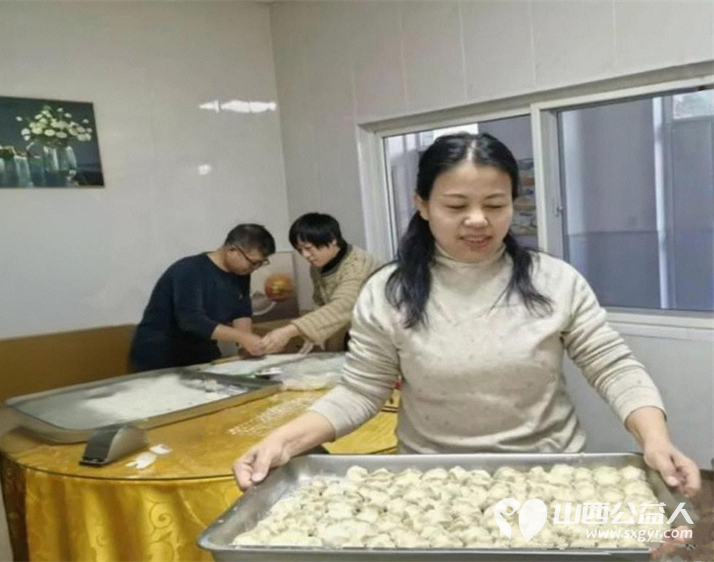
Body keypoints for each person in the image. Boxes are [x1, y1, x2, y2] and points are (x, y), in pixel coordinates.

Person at [234, 134, 700, 507]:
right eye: (456, 206)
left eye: (495, 205)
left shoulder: (554, 281)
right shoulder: (389, 292)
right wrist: (285, 441)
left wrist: (655, 439)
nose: (478, 220)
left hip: (549, 479)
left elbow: (613, 367)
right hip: (434, 486)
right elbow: (361, 390)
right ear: (422, 204)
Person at [129, 224, 275, 372]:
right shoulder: (189, 270)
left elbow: (241, 312)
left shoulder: (241, 273)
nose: (254, 268)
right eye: (253, 262)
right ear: (232, 250)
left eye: (260, 263)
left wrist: (246, 346)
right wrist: (242, 338)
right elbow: (191, 321)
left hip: (202, 352)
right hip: (162, 355)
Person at [258, 213, 380, 355]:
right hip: (349, 333)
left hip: (377, 335)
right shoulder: (317, 266)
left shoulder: (358, 265)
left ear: (332, 240)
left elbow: (343, 305)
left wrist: (289, 331)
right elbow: (320, 302)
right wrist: (312, 337)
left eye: (308, 248)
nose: (305, 255)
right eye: (300, 250)